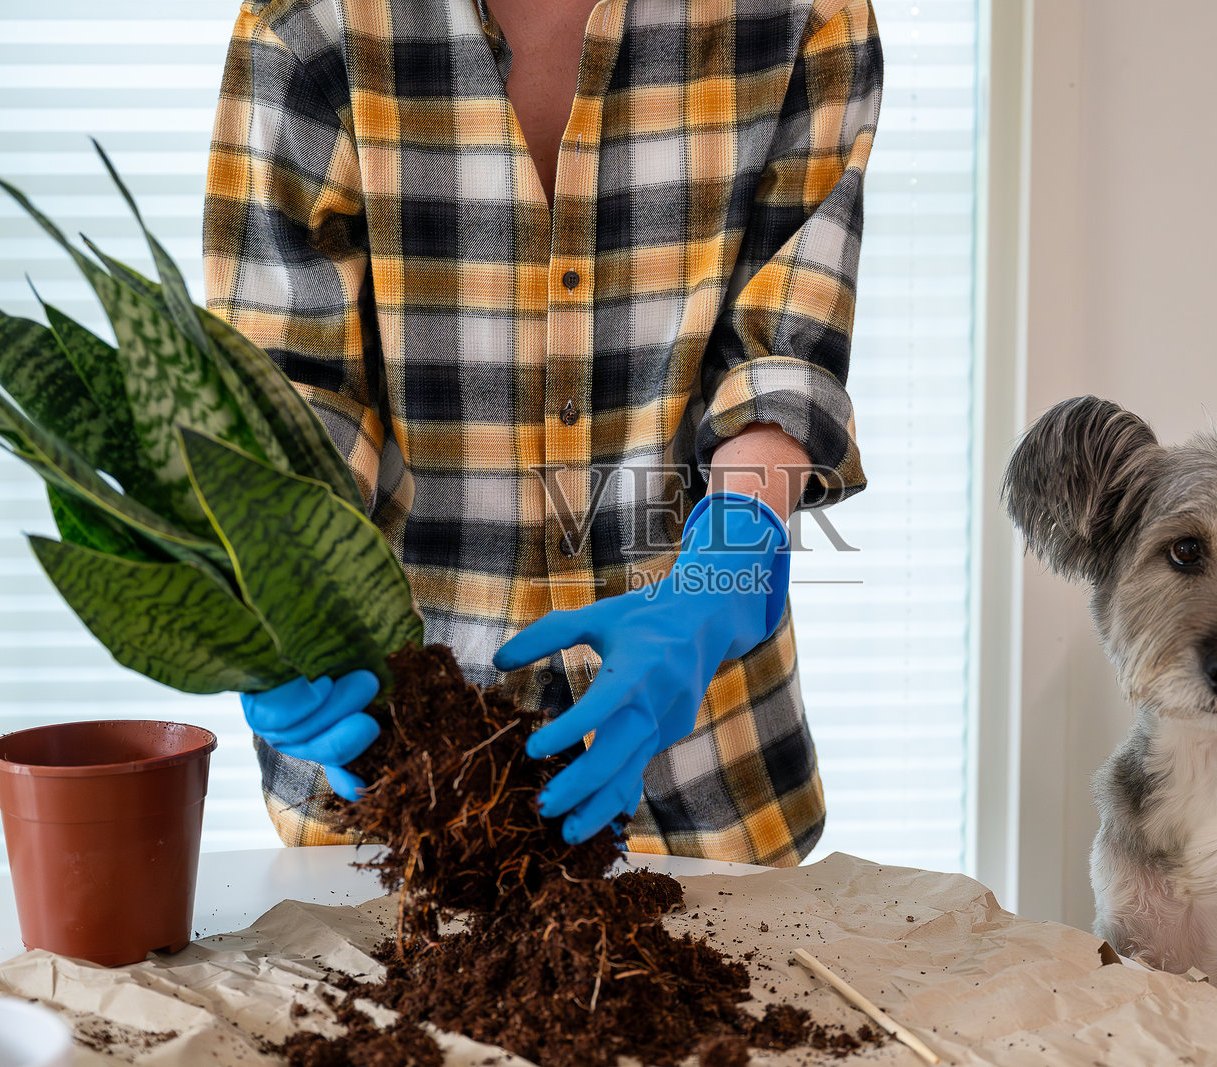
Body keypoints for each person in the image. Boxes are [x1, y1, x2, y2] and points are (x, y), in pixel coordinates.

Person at [204, 0, 882, 866]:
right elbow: (290, 392)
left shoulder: (804, 16)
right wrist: (284, 600)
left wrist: (728, 571)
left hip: (704, 775)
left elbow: (784, 353)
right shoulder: (306, 24)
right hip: (393, 776)